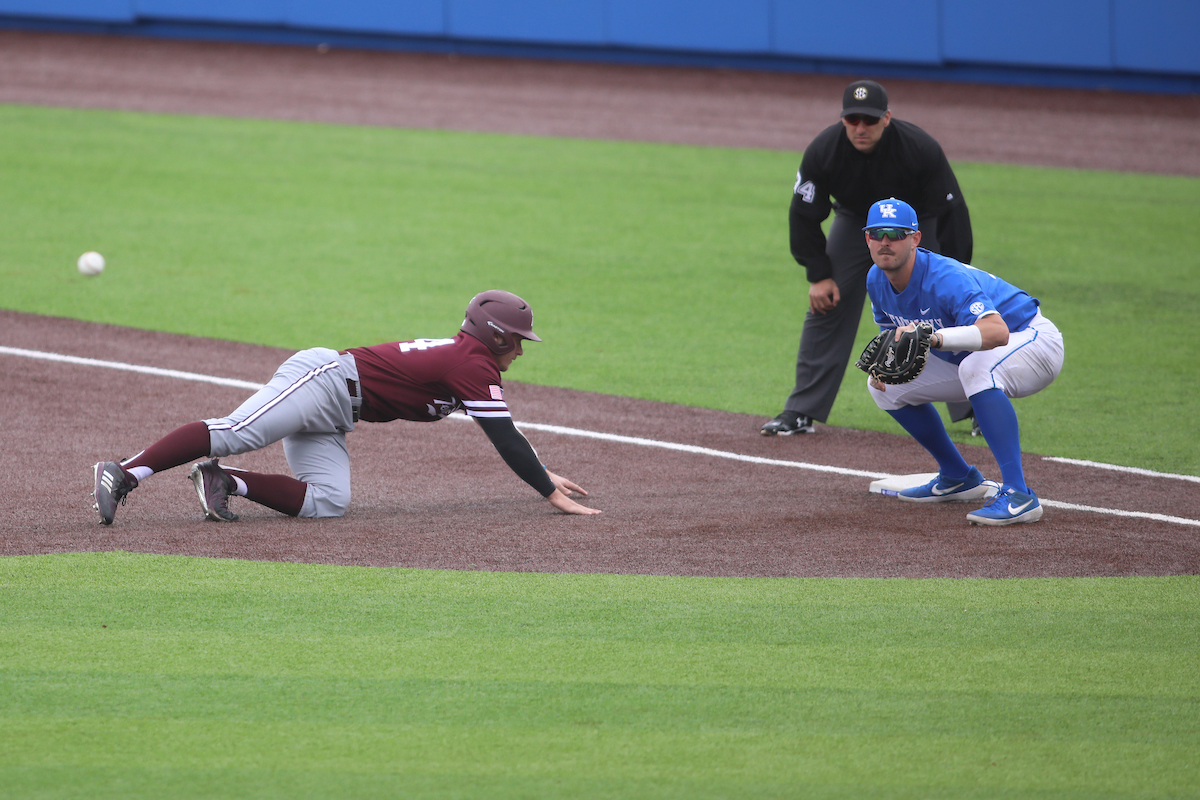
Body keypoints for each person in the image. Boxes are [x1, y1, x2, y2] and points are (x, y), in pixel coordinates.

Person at [91, 290, 601, 524]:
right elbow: (505, 437)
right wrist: (545, 490)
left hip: (338, 411)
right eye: (517, 340)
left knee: (329, 501)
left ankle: (225, 482)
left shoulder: (469, 362)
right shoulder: (473, 363)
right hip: (325, 381)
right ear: (495, 337)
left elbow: (505, 433)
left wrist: (541, 471)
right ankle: (124, 472)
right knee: (236, 430)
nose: (521, 348)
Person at [761, 79, 974, 436]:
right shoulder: (824, 149)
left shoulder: (919, 148)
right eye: (853, 120)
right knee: (826, 303)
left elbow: (953, 213)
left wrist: (957, 269)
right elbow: (802, 214)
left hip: (914, 224)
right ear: (843, 119)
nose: (861, 128)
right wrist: (818, 274)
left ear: (887, 118)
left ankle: (976, 405)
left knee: (946, 309)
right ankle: (801, 409)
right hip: (856, 221)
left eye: (870, 120)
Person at [860, 198, 1064, 525]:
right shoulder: (875, 280)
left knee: (976, 368)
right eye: (877, 233)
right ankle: (958, 476)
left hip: (1033, 341)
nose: (886, 241)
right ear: (867, 238)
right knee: (884, 387)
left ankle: (1018, 494)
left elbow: (996, 332)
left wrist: (936, 338)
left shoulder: (945, 278)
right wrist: (885, 361)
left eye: (896, 234)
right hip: (975, 354)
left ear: (915, 239)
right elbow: (893, 332)